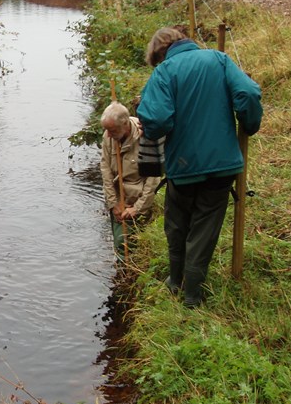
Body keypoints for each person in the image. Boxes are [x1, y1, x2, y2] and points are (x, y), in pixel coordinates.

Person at [136, 27, 263, 308]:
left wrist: (155, 125)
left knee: (177, 224)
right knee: (204, 228)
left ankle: (179, 284)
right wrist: (250, 124)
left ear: (159, 54)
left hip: (183, 167)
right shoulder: (218, 59)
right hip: (222, 166)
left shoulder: (164, 73)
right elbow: (249, 93)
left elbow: (156, 120)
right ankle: (191, 292)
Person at [100, 101, 161, 256]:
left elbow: (153, 179)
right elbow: (106, 170)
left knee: (128, 245)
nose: (108, 135)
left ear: (125, 124)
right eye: (106, 130)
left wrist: (138, 208)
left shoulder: (146, 136)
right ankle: (122, 271)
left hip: (138, 200)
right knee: (120, 244)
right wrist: (113, 203)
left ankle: (131, 271)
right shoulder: (108, 136)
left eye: (112, 130)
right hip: (119, 200)